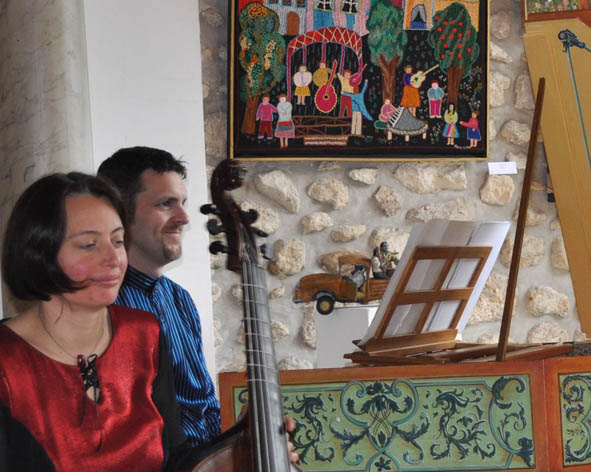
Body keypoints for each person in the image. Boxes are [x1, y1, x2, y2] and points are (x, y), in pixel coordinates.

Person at [0, 172, 195, 470]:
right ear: (39, 253)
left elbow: (176, 457)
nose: (113, 259)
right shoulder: (6, 359)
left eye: (117, 241)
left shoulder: (145, 333)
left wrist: (240, 442)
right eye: (89, 245)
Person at [97, 147, 221, 447]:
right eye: (166, 204)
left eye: (183, 203)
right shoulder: (101, 305)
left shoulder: (180, 299)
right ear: (120, 212)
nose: (184, 217)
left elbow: (204, 405)